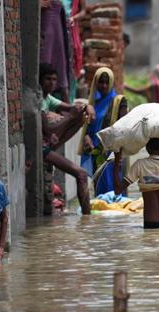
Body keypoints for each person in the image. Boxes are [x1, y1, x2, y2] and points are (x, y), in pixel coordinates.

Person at [39, 63, 93, 215]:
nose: (52, 83)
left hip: (50, 144)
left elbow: (72, 108)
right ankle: (86, 219)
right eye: (48, 79)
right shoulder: (40, 101)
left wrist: (86, 107)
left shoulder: (48, 98)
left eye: (54, 79)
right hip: (42, 149)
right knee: (81, 174)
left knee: (80, 116)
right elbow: (48, 129)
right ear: (40, 80)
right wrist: (70, 117)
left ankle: (87, 218)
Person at [113, 138, 159, 228]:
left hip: (151, 220)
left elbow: (118, 190)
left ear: (147, 147)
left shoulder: (140, 164)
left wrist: (116, 164)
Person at [80, 67, 117, 176]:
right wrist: (86, 136)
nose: (104, 85)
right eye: (101, 82)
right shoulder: (92, 102)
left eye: (107, 82)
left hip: (111, 150)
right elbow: (86, 123)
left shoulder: (117, 102)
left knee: (111, 181)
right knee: (98, 181)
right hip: (94, 148)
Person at [92, 95, 129, 196]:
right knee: (105, 178)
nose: (124, 112)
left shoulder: (127, 121)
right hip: (106, 152)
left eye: (125, 108)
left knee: (119, 178)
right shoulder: (107, 118)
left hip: (120, 152)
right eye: (121, 108)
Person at [41, 0, 71, 102]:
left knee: (60, 61)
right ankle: (44, 102)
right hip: (44, 18)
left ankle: (65, 102)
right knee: (44, 60)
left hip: (57, 16)